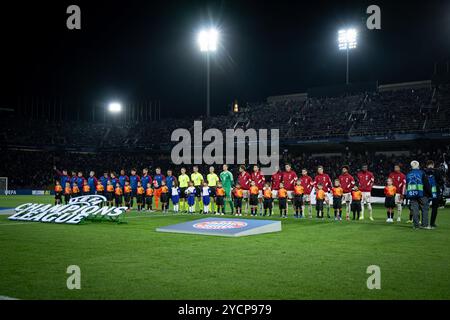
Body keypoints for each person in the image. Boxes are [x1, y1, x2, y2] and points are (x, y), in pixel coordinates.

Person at [406, 160, 432, 230]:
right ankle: (425, 225)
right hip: (422, 194)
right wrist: (430, 194)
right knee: (424, 209)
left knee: (415, 210)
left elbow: (407, 186)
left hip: (412, 194)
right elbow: (426, 184)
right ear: (418, 166)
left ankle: (416, 225)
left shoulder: (408, 174)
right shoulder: (422, 173)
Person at [424, 160, 443, 228]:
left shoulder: (424, 171)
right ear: (433, 164)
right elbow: (441, 182)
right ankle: (432, 223)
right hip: (435, 191)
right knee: (434, 208)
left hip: (426, 192)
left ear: (426, 165)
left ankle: (424, 223)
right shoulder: (437, 171)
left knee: (424, 208)